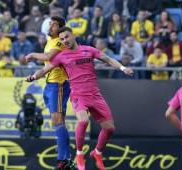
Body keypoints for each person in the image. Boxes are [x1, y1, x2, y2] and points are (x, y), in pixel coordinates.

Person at [26, 27, 133, 170]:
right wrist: (33, 77)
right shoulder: (61, 56)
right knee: (83, 120)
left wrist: (123, 68)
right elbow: (44, 69)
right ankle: (79, 154)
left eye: (66, 37)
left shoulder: (89, 50)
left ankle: (97, 153)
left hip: (95, 94)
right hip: (78, 95)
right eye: (62, 39)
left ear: (73, 35)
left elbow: (108, 59)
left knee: (110, 128)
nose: (65, 41)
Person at [24, 16, 72, 170]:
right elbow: (48, 65)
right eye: (49, 24)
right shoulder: (50, 41)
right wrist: (34, 76)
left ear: (60, 28)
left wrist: (32, 54)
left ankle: (63, 159)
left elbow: (47, 57)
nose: (50, 26)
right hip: (50, 84)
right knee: (59, 122)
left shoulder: (59, 41)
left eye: (54, 24)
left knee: (58, 121)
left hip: (59, 85)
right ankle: (66, 156)